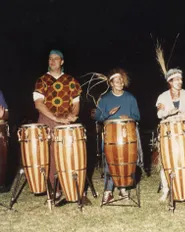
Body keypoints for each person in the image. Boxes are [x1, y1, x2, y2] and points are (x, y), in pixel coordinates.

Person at [33, 50, 81, 198]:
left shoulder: (71, 81)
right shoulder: (41, 81)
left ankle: (70, 187)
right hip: (47, 120)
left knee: (69, 153)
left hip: (65, 120)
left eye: (56, 59)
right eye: (50, 59)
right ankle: (55, 190)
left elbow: (76, 104)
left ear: (62, 62)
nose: (52, 61)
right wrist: (55, 118)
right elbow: (39, 104)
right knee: (50, 155)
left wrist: (73, 115)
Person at [92, 68, 141, 204]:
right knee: (111, 162)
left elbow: (138, 116)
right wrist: (108, 113)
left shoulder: (130, 98)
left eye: (121, 80)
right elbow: (97, 117)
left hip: (128, 137)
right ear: (111, 83)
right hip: (111, 137)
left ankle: (123, 188)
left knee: (126, 161)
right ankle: (108, 192)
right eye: (116, 80)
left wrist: (129, 116)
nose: (119, 82)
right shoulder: (105, 99)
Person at [156, 68, 185, 201]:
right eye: (176, 79)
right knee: (167, 161)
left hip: (184, 130)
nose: (180, 82)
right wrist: (169, 113)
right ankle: (166, 190)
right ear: (170, 81)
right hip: (168, 131)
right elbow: (159, 114)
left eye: (181, 79)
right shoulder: (163, 97)